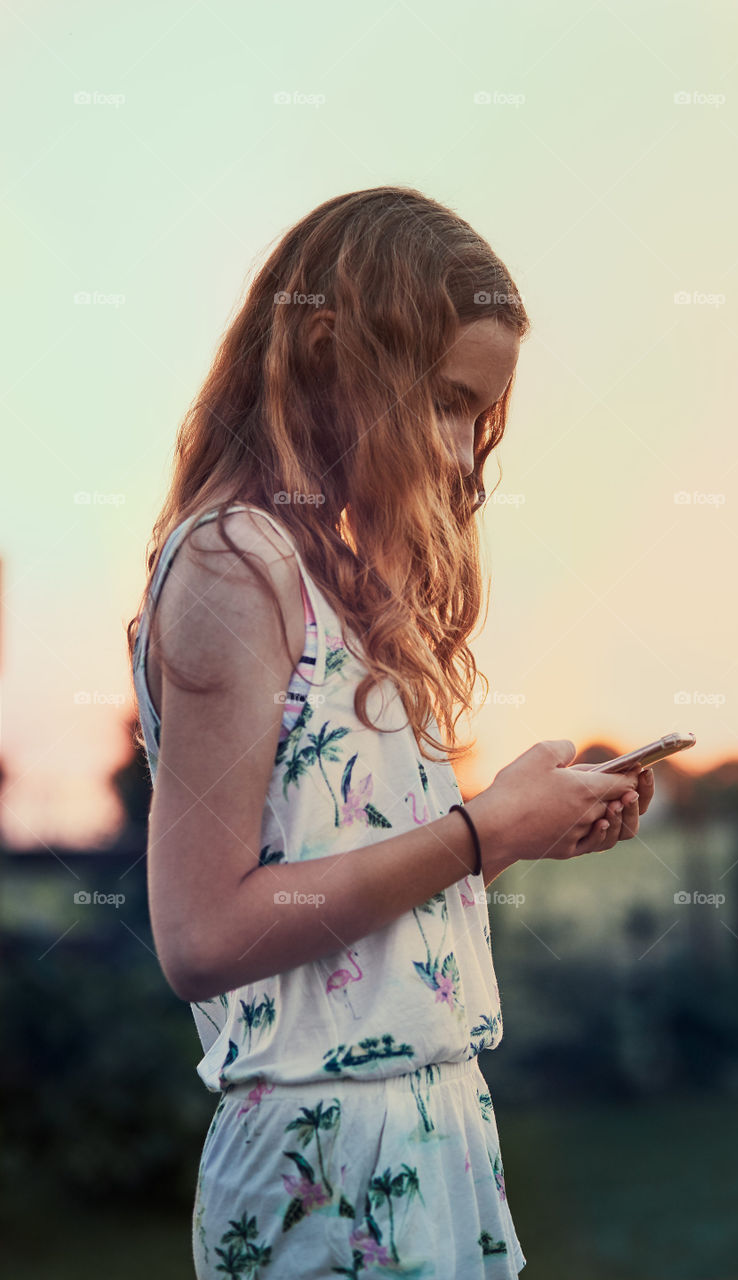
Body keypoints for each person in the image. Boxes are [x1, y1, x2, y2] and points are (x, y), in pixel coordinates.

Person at [127, 186, 653, 1279]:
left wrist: (510, 828)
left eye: (483, 419)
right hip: (323, 1157)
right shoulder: (237, 566)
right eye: (449, 404)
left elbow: (345, 905)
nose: (466, 457)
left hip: (432, 1121)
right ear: (328, 352)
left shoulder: (340, 578)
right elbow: (201, 936)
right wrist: (474, 831)